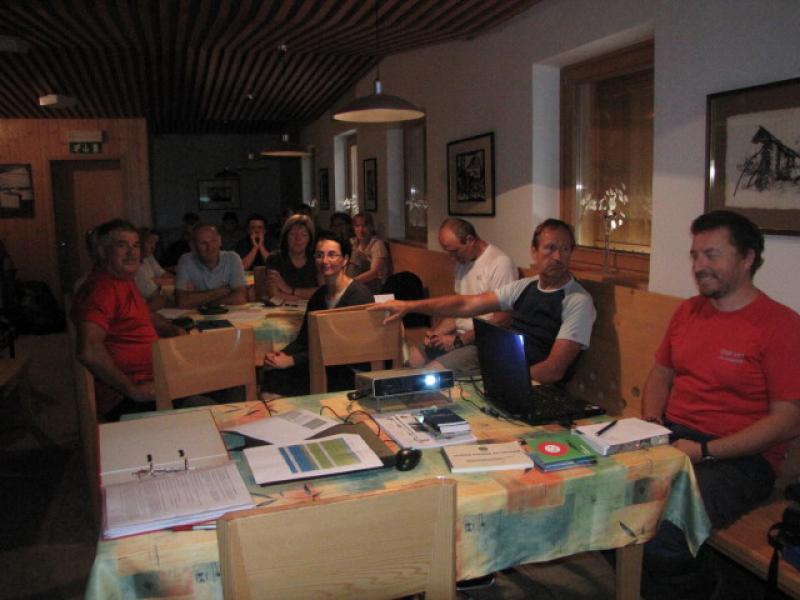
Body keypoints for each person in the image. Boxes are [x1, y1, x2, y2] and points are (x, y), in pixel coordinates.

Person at [640, 210, 800, 600]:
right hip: (675, 437)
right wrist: (651, 422)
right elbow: (661, 374)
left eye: (712, 255)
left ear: (747, 259)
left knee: (664, 532)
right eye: (695, 255)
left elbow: (787, 421)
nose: (699, 266)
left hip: (740, 459)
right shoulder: (688, 311)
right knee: (601, 502)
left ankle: (707, 587)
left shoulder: (780, 325)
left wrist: (706, 450)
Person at [373, 219, 595, 385]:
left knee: (429, 380)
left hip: (527, 383)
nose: (558, 257)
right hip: (500, 362)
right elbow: (465, 305)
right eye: (550, 248)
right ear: (534, 252)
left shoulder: (578, 301)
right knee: (412, 369)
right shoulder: (525, 286)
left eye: (565, 249)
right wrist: (409, 306)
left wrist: (500, 378)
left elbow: (553, 370)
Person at [72, 219, 186, 421]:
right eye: (122, 245)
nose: (132, 253)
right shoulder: (102, 290)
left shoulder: (122, 280)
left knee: (219, 372)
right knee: (225, 387)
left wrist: (173, 330)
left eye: (136, 246)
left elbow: (144, 316)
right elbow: (89, 350)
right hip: (128, 397)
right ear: (102, 251)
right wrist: (133, 390)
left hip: (155, 377)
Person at [263, 232, 374, 396]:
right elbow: (304, 340)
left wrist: (292, 360)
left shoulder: (358, 296)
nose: (325, 261)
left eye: (332, 255)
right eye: (319, 255)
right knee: (273, 374)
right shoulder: (318, 296)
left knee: (284, 379)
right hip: (322, 362)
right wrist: (281, 354)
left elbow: (341, 347)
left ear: (345, 260)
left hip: (349, 369)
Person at [409, 218, 518, 374]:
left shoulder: (500, 263)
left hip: (484, 342)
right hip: (459, 337)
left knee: (433, 371)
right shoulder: (462, 263)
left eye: (454, 251)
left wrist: (459, 341)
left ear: (470, 240)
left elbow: (503, 319)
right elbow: (456, 312)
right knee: (415, 356)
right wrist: (436, 333)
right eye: (448, 252)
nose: (452, 257)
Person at [174, 223, 248, 308]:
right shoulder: (186, 261)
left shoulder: (232, 258)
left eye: (213, 241)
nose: (210, 247)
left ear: (220, 241)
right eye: (203, 243)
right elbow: (182, 301)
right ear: (193, 246)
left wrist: (203, 302)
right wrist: (220, 291)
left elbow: (240, 297)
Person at [264, 214, 319, 302]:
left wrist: (288, 289)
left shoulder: (317, 259)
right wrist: (305, 296)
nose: (298, 239)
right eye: (292, 234)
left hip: (314, 308)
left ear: (310, 239)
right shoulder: (275, 259)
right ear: (285, 237)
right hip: (282, 309)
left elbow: (323, 292)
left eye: (304, 235)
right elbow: (274, 295)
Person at [347, 212, 392, 294]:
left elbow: (375, 272)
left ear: (371, 227)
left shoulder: (377, 244)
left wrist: (349, 283)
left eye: (364, 226)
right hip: (357, 285)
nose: (361, 230)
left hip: (374, 286)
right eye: (357, 226)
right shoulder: (353, 242)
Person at [134, 227, 174, 310]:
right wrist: (159, 282)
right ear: (139, 243)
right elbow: (153, 293)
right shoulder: (134, 266)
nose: (153, 247)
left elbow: (162, 273)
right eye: (150, 242)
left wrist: (157, 281)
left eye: (155, 243)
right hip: (145, 306)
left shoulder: (149, 257)